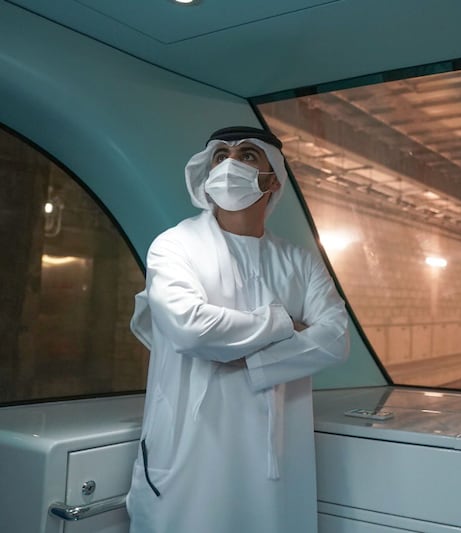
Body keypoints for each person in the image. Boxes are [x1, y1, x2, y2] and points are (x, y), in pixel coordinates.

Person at [126, 125, 349, 532]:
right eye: (220, 156)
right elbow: (190, 329)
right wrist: (283, 323)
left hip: (274, 458)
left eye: (246, 155)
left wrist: (249, 362)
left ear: (273, 178)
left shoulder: (299, 261)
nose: (229, 164)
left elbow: (335, 339)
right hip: (189, 453)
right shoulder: (174, 246)